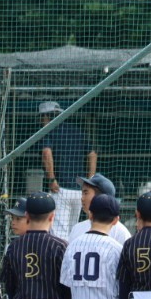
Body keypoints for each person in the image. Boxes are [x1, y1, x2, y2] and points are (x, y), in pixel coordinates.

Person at [39, 100, 94, 240]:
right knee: (73, 231)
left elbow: (46, 153)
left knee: (59, 233)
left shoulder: (49, 131)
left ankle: (61, 261)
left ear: (46, 117)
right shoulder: (77, 131)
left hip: (60, 189)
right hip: (78, 190)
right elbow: (92, 154)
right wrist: (90, 180)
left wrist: (51, 179)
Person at [67, 173, 130, 245]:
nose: (82, 198)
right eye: (82, 193)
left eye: (86, 193)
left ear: (101, 197)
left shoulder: (120, 233)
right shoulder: (77, 228)